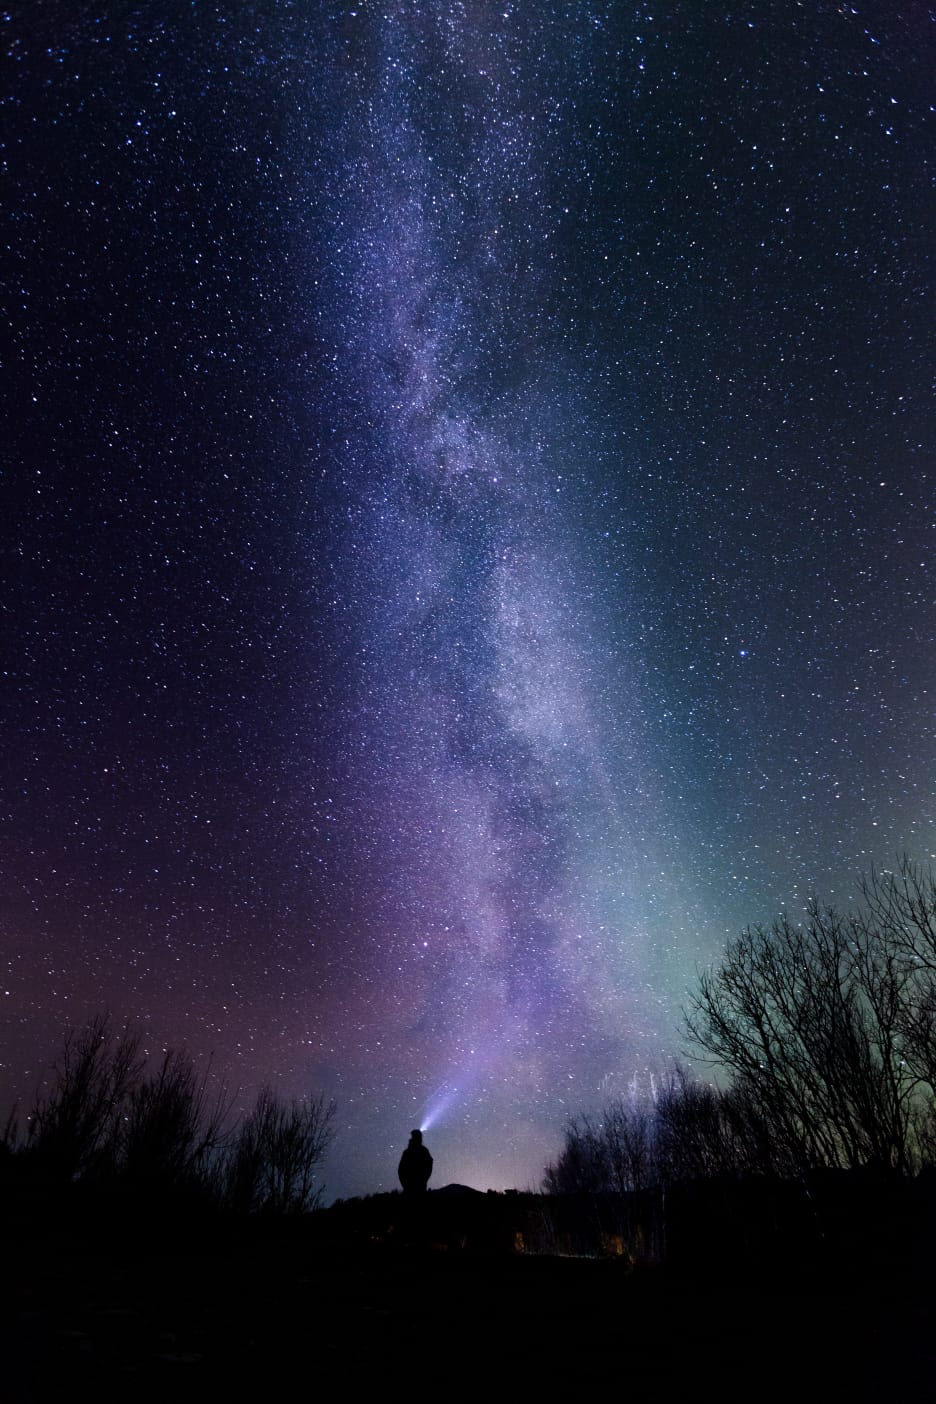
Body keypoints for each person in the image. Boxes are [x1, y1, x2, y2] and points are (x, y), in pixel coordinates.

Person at [398, 1128, 432, 1194]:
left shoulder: (422, 1151)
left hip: (414, 1185)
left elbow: (429, 1166)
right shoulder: (422, 1151)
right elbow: (401, 1169)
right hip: (411, 1185)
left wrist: (423, 1180)